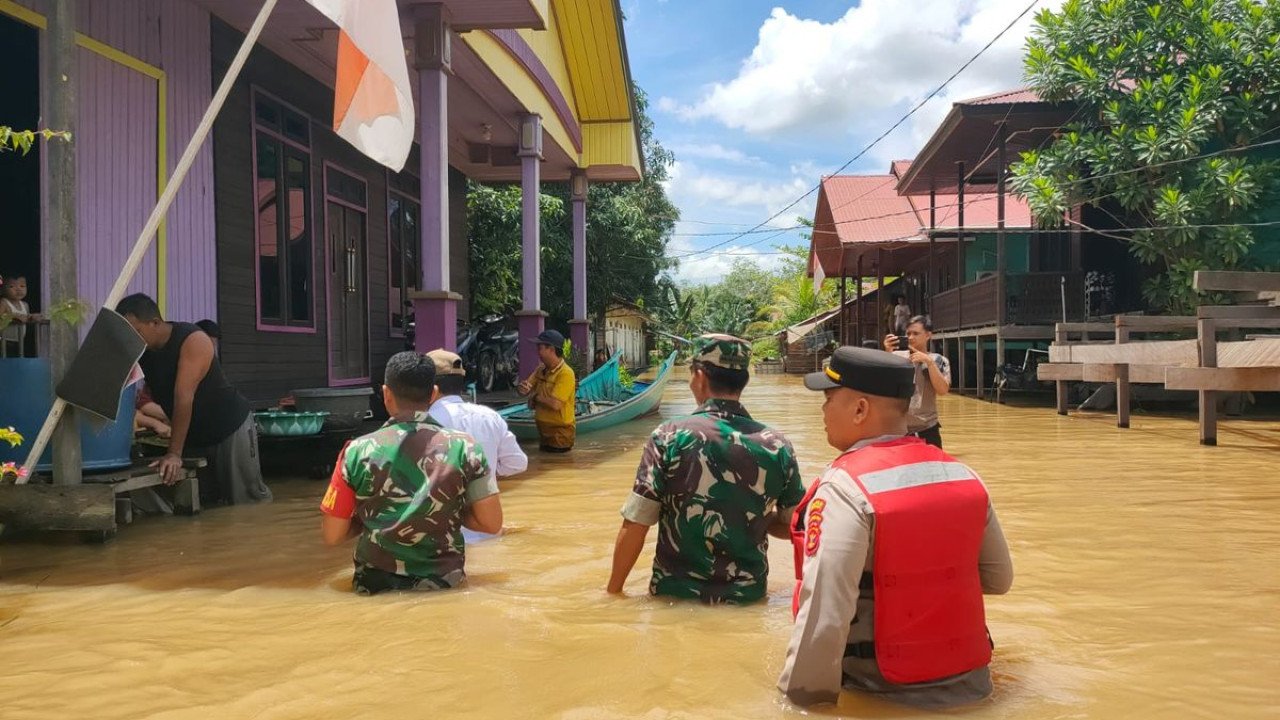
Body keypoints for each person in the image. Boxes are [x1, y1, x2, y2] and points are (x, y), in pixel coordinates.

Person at [777, 346, 1012, 709]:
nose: (822, 410)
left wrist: (801, 705)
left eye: (828, 398)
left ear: (859, 409)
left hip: (882, 696)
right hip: (976, 689)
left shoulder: (844, 487)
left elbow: (826, 613)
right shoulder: (964, 475)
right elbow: (999, 580)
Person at [607, 334, 805, 604]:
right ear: (743, 380)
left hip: (673, 599)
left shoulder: (669, 436)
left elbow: (637, 522)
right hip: (747, 600)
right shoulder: (777, 445)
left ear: (699, 376)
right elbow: (795, 527)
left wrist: (612, 593)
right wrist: (755, 515)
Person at [320, 351, 503, 595]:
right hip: (444, 586)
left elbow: (333, 535)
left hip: (373, 588)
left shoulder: (356, 451)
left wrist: (368, 517)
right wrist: (449, 511)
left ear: (386, 394)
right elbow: (491, 523)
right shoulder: (465, 448)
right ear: (434, 394)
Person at [117, 293, 271, 505]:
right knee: (203, 505)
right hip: (192, 434)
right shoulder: (140, 350)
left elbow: (183, 398)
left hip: (229, 428)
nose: (130, 339)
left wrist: (174, 453)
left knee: (247, 502)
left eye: (136, 332)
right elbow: (121, 388)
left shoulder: (193, 340)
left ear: (154, 323)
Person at [426, 349, 528, 485]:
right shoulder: (491, 417)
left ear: (430, 387)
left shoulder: (423, 423)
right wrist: (487, 472)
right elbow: (517, 463)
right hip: (487, 503)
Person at [883, 315, 951, 448]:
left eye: (915, 333)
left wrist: (929, 363)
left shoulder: (938, 360)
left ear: (928, 335)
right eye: (908, 333)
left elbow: (942, 390)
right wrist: (887, 353)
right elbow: (882, 387)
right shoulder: (896, 358)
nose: (910, 337)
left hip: (927, 429)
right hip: (899, 430)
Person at [516, 329, 576, 453]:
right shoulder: (541, 369)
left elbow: (555, 404)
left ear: (551, 349)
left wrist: (535, 397)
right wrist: (522, 389)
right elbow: (526, 389)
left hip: (560, 434)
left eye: (540, 348)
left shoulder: (566, 373)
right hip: (544, 432)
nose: (538, 352)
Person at [0, 274, 40, 358]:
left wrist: (32, 317)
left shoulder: (25, 305)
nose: (18, 289)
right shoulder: (4, 303)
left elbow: (25, 317)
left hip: (20, 341)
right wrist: (13, 316)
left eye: (22, 286)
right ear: (2, 289)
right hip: (4, 341)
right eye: (12, 286)